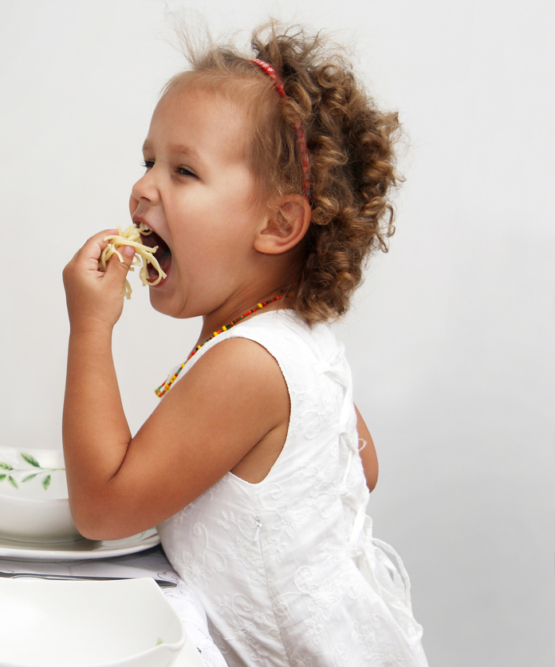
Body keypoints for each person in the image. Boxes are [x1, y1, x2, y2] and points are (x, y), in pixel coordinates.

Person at [61, 23, 428, 666]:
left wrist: (90, 330)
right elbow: (359, 467)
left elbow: (101, 509)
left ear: (279, 223)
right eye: (148, 161)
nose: (144, 188)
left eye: (183, 170)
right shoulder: (294, 343)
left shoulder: (249, 364)